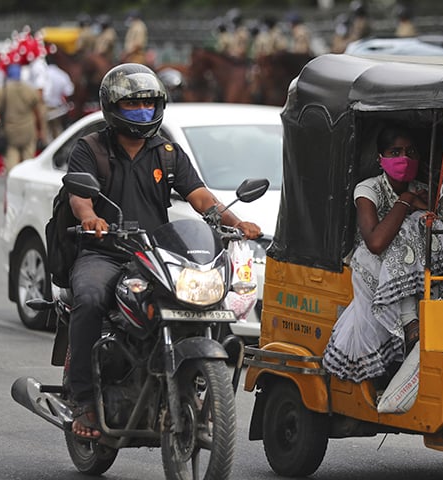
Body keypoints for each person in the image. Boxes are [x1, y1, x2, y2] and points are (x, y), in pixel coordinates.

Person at [67, 63, 262, 439]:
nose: (142, 111)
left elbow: (201, 196)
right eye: (132, 105)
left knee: (211, 299)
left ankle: (199, 382)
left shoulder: (167, 152)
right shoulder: (90, 148)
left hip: (155, 255)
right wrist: (91, 218)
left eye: (148, 103)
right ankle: (85, 400)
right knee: (90, 298)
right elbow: (80, 199)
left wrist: (236, 223)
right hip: (105, 252)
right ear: (112, 107)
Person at [322, 124, 443, 384]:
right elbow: (376, 242)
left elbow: (438, 227)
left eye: (410, 151)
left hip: (414, 271)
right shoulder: (368, 189)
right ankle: (409, 322)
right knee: (411, 224)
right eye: (395, 152)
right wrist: (405, 200)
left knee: (424, 222)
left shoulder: (423, 188)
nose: (403, 158)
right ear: (380, 159)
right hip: (371, 266)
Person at [0, 63, 44, 172]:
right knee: (28, 158)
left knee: (11, 158)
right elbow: (37, 110)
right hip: (28, 129)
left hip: (10, 130)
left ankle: (13, 182)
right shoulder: (29, 89)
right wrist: (40, 129)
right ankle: (27, 181)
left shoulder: (3, 90)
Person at [41, 55, 74, 142]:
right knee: (58, 133)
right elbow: (69, 91)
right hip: (57, 108)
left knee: (47, 134)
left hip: (44, 107)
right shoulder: (61, 74)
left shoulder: (42, 74)